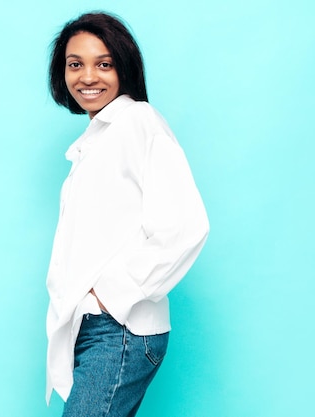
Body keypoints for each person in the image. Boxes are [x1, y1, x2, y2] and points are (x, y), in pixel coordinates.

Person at [46, 12, 209, 417]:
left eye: (104, 64)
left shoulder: (138, 122)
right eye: (75, 64)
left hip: (119, 329)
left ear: (124, 68)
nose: (88, 77)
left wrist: (110, 296)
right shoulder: (94, 142)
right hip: (95, 330)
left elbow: (185, 226)